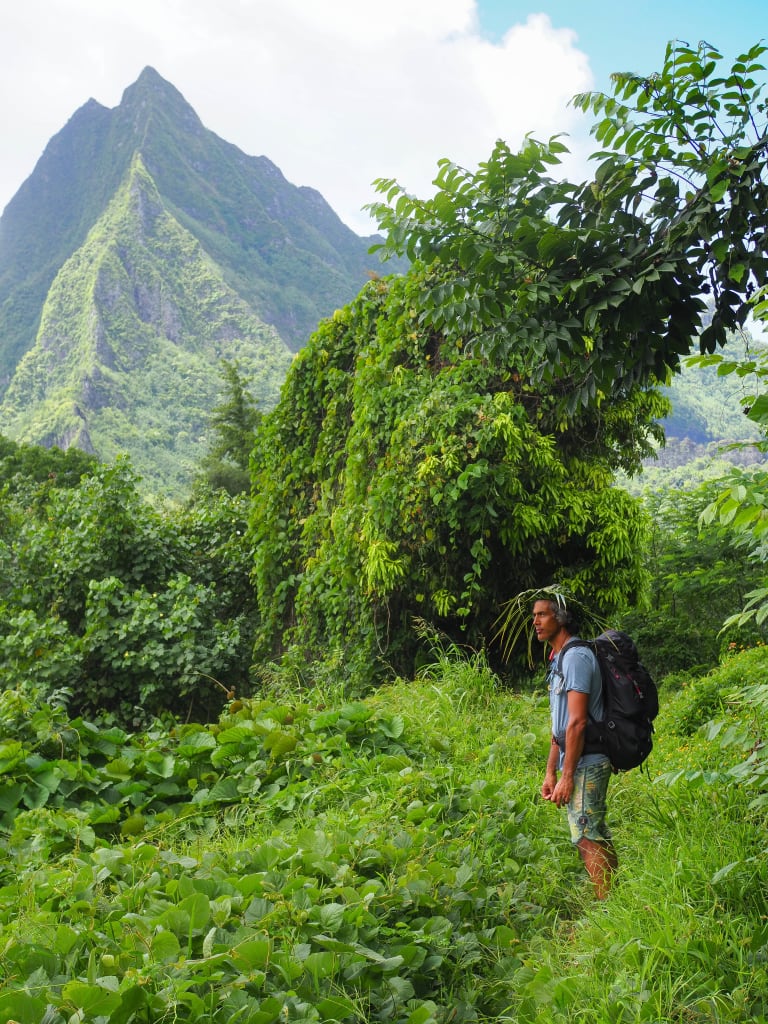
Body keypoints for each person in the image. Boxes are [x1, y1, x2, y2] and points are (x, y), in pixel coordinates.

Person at [532, 597, 617, 899]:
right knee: (593, 831)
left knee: (585, 835)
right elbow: (560, 725)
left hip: (588, 760)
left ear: (561, 618)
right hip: (576, 758)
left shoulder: (576, 657)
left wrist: (567, 776)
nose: (536, 622)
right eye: (534, 615)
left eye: (543, 615)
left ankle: (606, 907)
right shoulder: (559, 659)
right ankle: (615, 898)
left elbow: (578, 722)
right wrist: (550, 772)